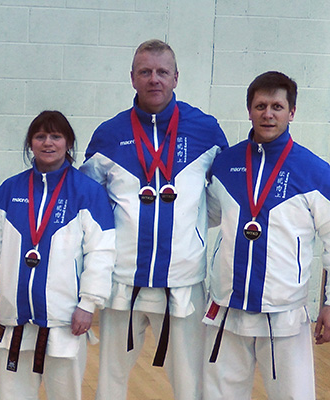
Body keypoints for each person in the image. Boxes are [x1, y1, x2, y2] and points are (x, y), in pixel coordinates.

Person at [80, 39, 228, 400]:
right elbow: (91, 208)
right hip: (123, 282)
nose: (154, 79)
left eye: (162, 72)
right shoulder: (108, 135)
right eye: (145, 72)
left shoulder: (205, 130)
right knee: (110, 381)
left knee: (190, 382)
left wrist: (186, 228)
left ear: (176, 77)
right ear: (132, 78)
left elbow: (223, 202)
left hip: (183, 282)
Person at [203, 71, 330, 399]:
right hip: (226, 310)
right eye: (260, 105)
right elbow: (206, 216)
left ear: (292, 112)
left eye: (277, 106)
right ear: (249, 111)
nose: (268, 114)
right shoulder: (225, 163)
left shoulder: (315, 171)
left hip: (284, 316)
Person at [0, 110, 115, 399]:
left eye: (56, 136)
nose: (48, 143)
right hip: (15, 321)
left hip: (65, 322)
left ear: (68, 143)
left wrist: (89, 303)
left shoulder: (87, 192)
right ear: (30, 143)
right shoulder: (10, 190)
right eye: (40, 136)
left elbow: (101, 252)